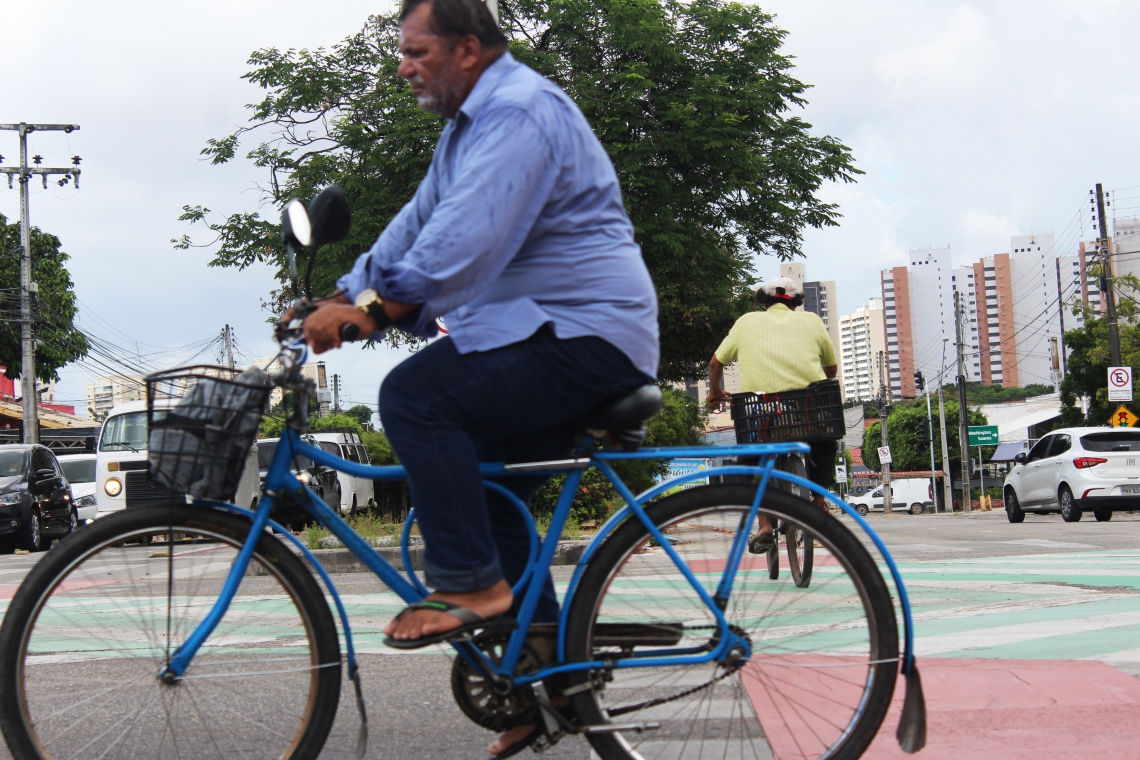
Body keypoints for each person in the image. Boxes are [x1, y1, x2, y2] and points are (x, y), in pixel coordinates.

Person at [298, 0, 658, 752]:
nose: (403, 67)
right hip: (547, 333)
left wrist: (375, 305)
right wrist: (341, 294)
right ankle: (551, 691)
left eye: (415, 52)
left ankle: (467, 585)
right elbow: (417, 221)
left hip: (585, 336)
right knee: (493, 499)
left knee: (415, 397)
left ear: (467, 49)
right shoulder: (468, 129)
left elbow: (463, 240)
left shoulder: (520, 114)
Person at [705, 276, 839, 546]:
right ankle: (817, 502)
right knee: (825, 443)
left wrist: (715, 392)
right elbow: (831, 369)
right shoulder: (812, 321)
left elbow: (715, 363)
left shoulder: (746, 322)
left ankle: (764, 525)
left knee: (750, 462)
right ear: (796, 302)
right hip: (807, 411)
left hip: (761, 413)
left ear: (763, 300)